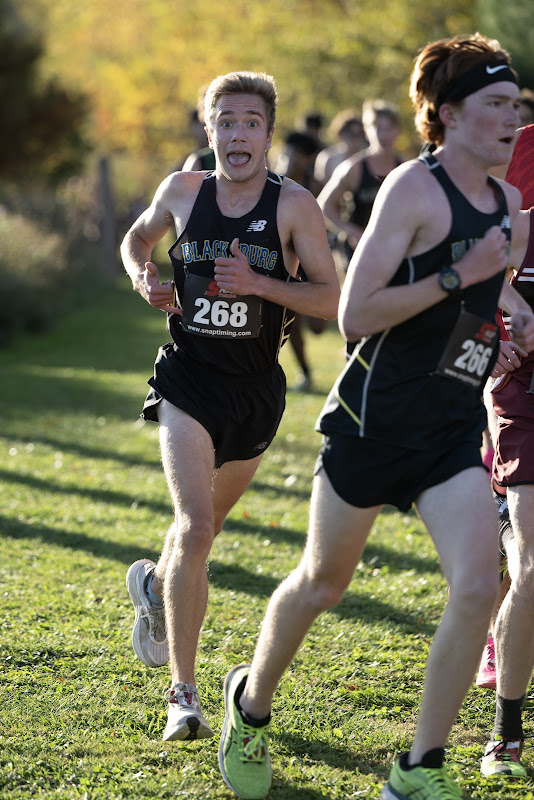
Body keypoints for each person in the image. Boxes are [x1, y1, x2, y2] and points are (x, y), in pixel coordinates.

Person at [217, 34, 534, 800]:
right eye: (495, 107)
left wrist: (504, 319)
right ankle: (250, 705)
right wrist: (466, 274)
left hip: (451, 426)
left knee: (474, 584)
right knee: (322, 582)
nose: (511, 121)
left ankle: (418, 770)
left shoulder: (510, 205)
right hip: (373, 418)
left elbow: (480, 300)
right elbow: (356, 313)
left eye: (515, 106)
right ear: (449, 116)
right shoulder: (411, 192)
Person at [120, 71, 339, 743]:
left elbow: (333, 299)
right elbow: (137, 238)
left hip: (254, 392)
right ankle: (181, 696)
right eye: (226, 121)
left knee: (201, 528)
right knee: (195, 526)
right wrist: (143, 276)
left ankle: (157, 587)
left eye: (251, 122)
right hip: (189, 378)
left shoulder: (294, 206)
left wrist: (262, 283)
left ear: (268, 135)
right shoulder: (182, 191)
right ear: (207, 129)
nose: (238, 134)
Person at [478, 129, 534, 775]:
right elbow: (464, 268)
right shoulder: (522, 228)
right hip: (524, 397)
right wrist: (500, 318)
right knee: (531, 562)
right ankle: (507, 735)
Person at [318, 99, 402, 270]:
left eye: (389, 128)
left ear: (397, 130)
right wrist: (350, 231)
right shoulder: (353, 168)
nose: (383, 135)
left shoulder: (406, 166)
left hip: (396, 249)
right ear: (366, 130)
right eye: (378, 128)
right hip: (359, 253)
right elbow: (323, 206)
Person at [274, 131, 327, 390]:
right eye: (289, 151)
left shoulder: (314, 186)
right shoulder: (267, 180)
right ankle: (305, 374)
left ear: (307, 159)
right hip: (281, 258)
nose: (292, 158)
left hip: (310, 257)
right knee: (290, 321)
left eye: (298, 154)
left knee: (317, 326)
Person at [314, 110, 367, 188]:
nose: (355, 139)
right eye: (351, 134)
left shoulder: (367, 159)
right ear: (341, 133)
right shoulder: (327, 158)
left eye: (359, 134)